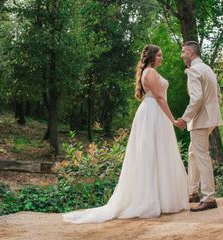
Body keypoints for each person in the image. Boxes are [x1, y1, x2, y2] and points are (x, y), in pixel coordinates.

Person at [63, 44, 189, 224]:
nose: (162, 58)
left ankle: (158, 199)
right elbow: (160, 97)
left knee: (154, 154)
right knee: (154, 154)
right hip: (154, 114)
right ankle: (152, 200)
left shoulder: (147, 71)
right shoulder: (151, 72)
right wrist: (172, 120)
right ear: (152, 56)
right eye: (159, 55)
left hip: (152, 113)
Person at [177, 41, 223, 212]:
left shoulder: (194, 70)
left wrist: (184, 118)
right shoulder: (207, 69)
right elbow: (218, 95)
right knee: (193, 153)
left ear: (190, 52)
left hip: (200, 120)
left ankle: (208, 198)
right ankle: (193, 192)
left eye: (183, 52)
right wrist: (213, 113)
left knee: (201, 156)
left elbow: (196, 99)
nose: (181, 55)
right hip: (210, 119)